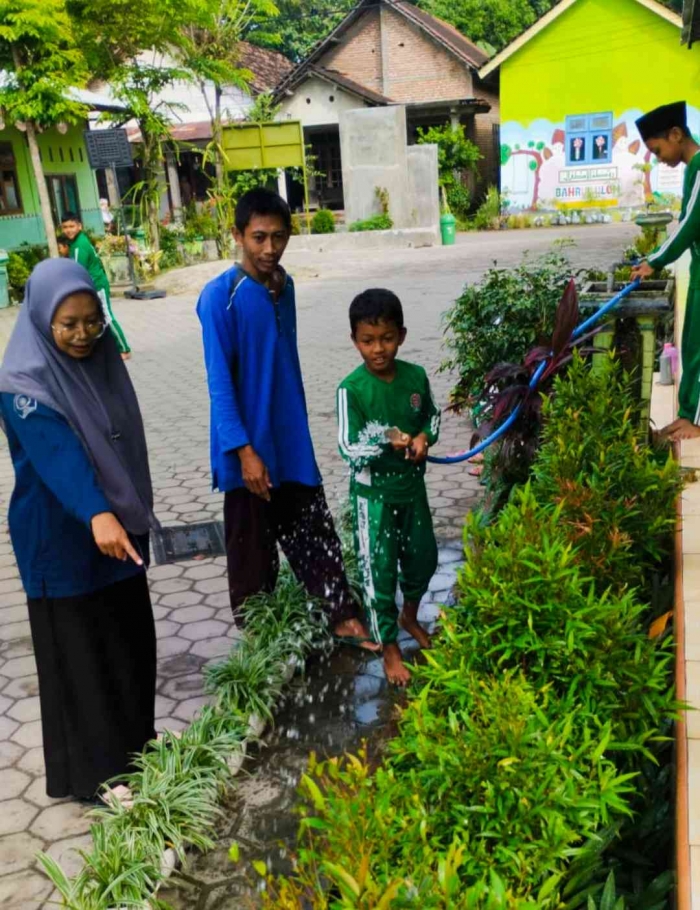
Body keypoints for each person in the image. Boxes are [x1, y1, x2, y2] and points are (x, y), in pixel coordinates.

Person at [0, 258, 158, 801]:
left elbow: (122, 431)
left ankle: (139, 745)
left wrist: (128, 507)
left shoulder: (104, 355)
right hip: (59, 536)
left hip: (114, 525)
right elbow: (56, 453)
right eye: (67, 324)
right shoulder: (22, 380)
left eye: (92, 320)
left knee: (130, 638)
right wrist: (97, 512)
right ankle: (100, 776)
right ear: (43, 319)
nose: (83, 334)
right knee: (84, 653)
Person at [196, 188, 378, 651]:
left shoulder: (285, 286)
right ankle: (259, 652)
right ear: (236, 235)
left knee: (316, 540)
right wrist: (244, 452)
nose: (269, 248)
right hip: (248, 454)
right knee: (252, 558)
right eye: (258, 237)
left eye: (279, 237)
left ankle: (343, 620)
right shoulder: (219, 298)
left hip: (291, 442)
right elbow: (220, 384)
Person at [337, 289, 441, 685]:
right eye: (367, 341)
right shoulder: (352, 389)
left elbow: (433, 416)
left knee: (423, 558)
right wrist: (385, 441)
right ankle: (390, 647)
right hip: (373, 500)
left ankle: (409, 615)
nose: (378, 349)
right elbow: (347, 447)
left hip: (412, 491)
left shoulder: (415, 377)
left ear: (402, 335)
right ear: (355, 341)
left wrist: (423, 438)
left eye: (387, 339)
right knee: (379, 572)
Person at [631, 101, 700, 440]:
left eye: (658, 150)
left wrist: (653, 261)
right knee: (691, 344)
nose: (659, 159)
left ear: (676, 134)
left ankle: (695, 421)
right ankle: (688, 413)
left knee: (698, 346)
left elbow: (689, 225)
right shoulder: (693, 170)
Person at [60, 211, 132, 361]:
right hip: (91, 286)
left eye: (72, 226)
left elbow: (77, 272)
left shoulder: (80, 246)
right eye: (65, 227)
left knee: (106, 316)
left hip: (97, 285)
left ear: (79, 226)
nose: (68, 230)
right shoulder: (76, 242)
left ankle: (124, 349)